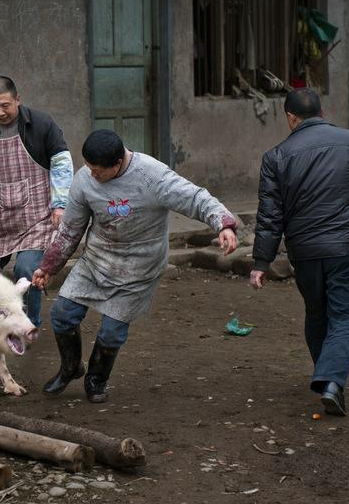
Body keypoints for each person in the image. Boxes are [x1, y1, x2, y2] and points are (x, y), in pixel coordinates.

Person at [32, 129, 238, 403]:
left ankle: (96, 379)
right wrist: (48, 267)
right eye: (88, 168)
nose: (91, 174)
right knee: (61, 314)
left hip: (139, 267)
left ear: (117, 164)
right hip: (97, 259)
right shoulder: (84, 179)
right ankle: (70, 367)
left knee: (111, 331)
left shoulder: (152, 176)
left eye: (97, 170)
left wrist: (223, 224)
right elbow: (70, 229)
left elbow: (195, 198)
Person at [250, 88, 349, 416]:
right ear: (322, 113)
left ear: (290, 118)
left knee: (316, 313)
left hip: (305, 250)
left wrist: (261, 262)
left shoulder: (276, 157)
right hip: (348, 246)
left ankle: (327, 380)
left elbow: (270, 215)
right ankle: (333, 382)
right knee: (345, 316)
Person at [0, 76, 74, 329]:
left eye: (5, 105)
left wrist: (60, 204)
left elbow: (62, 163)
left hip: (37, 216)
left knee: (26, 269)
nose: (0, 112)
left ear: (17, 100)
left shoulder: (42, 125)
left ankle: (28, 323)